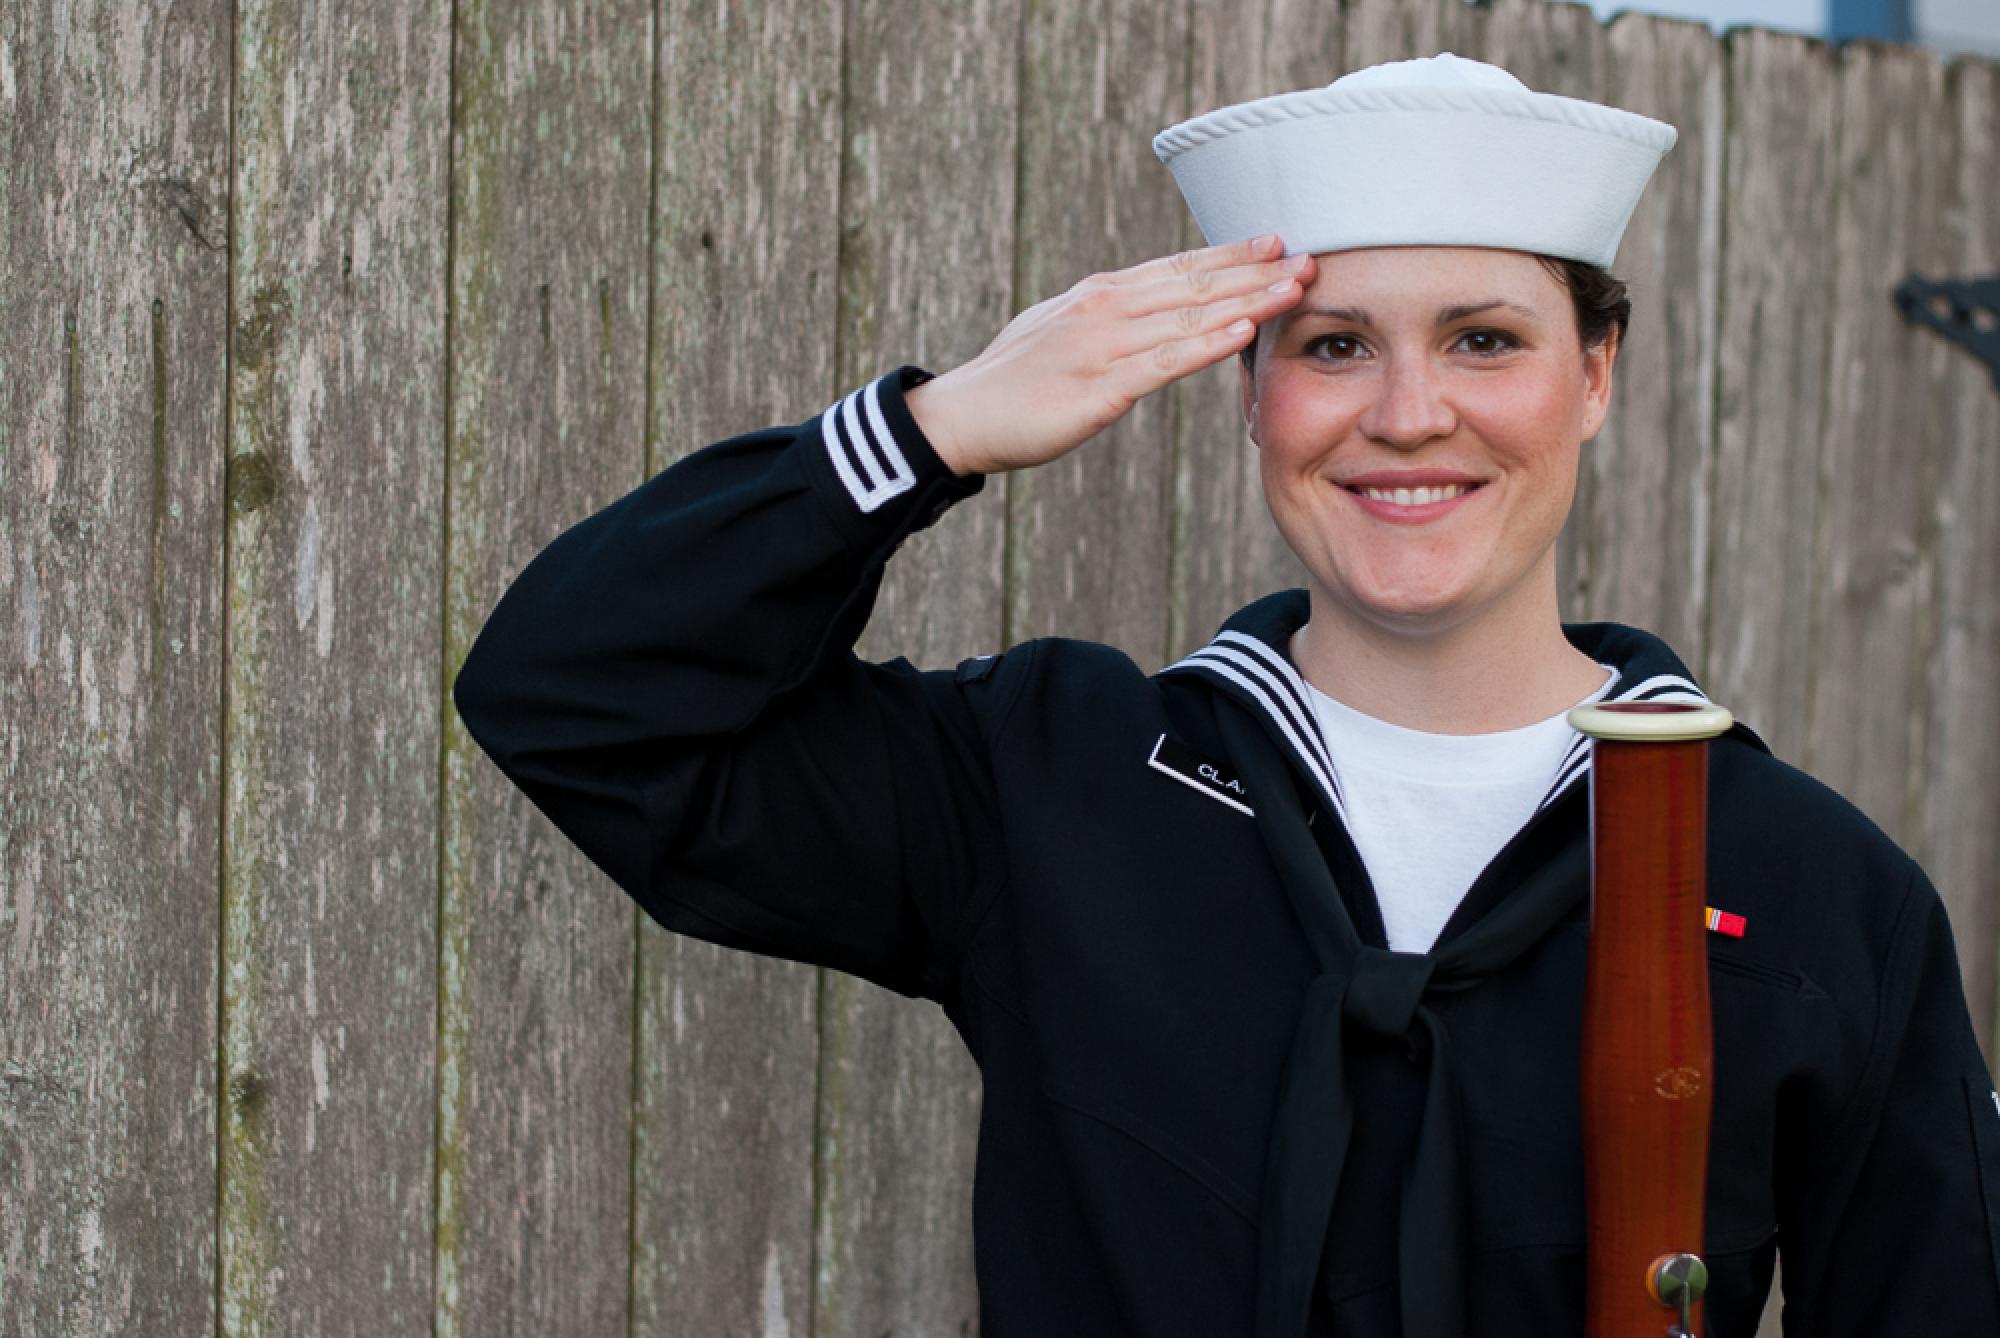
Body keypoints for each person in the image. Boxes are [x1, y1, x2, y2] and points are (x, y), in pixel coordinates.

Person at [451, 52, 2000, 1336]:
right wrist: (929, 432)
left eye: (1485, 338)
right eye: (1333, 346)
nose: (1410, 413)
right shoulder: (1055, 786)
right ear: (1250, 390)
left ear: (1596, 372)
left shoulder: (1816, 890)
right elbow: (572, 695)